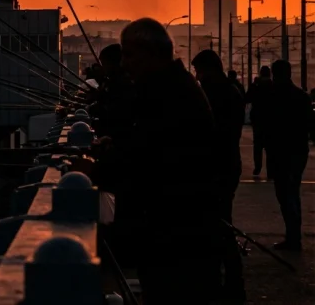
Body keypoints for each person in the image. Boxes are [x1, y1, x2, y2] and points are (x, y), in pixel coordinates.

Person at [115, 18, 220, 302]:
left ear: (152, 54)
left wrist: (107, 164)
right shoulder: (169, 88)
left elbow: (150, 161)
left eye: (129, 54)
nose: (123, 64)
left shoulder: (168, 95)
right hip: (177, 234)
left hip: (176, 239)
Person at [192, 50, 245, 300]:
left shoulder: (214, 93)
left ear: (209, 69)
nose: (198, 77)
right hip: (228, 163)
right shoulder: (231, 90)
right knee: (221, 221)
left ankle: (228, 282)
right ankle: (230, 280)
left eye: (199, 72)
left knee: (219, 224)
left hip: (218, 166)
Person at [266, 60, 315, 250]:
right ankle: (294, 235)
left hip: (280, 151)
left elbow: (266, 122)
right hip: (298, 149)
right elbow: (310, 124)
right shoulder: (301, 96)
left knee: (285, 194)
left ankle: (293, 237)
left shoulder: (273, 95)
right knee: (292, 191)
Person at [246, 66, 274, 176]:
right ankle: (270, 170)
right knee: (270, 147)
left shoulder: (256, 85)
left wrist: (254, 85)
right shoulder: (273, 85)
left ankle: (257, 167)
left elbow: (247, 98)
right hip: (271, 119)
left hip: (258, 119)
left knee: (257, 146)